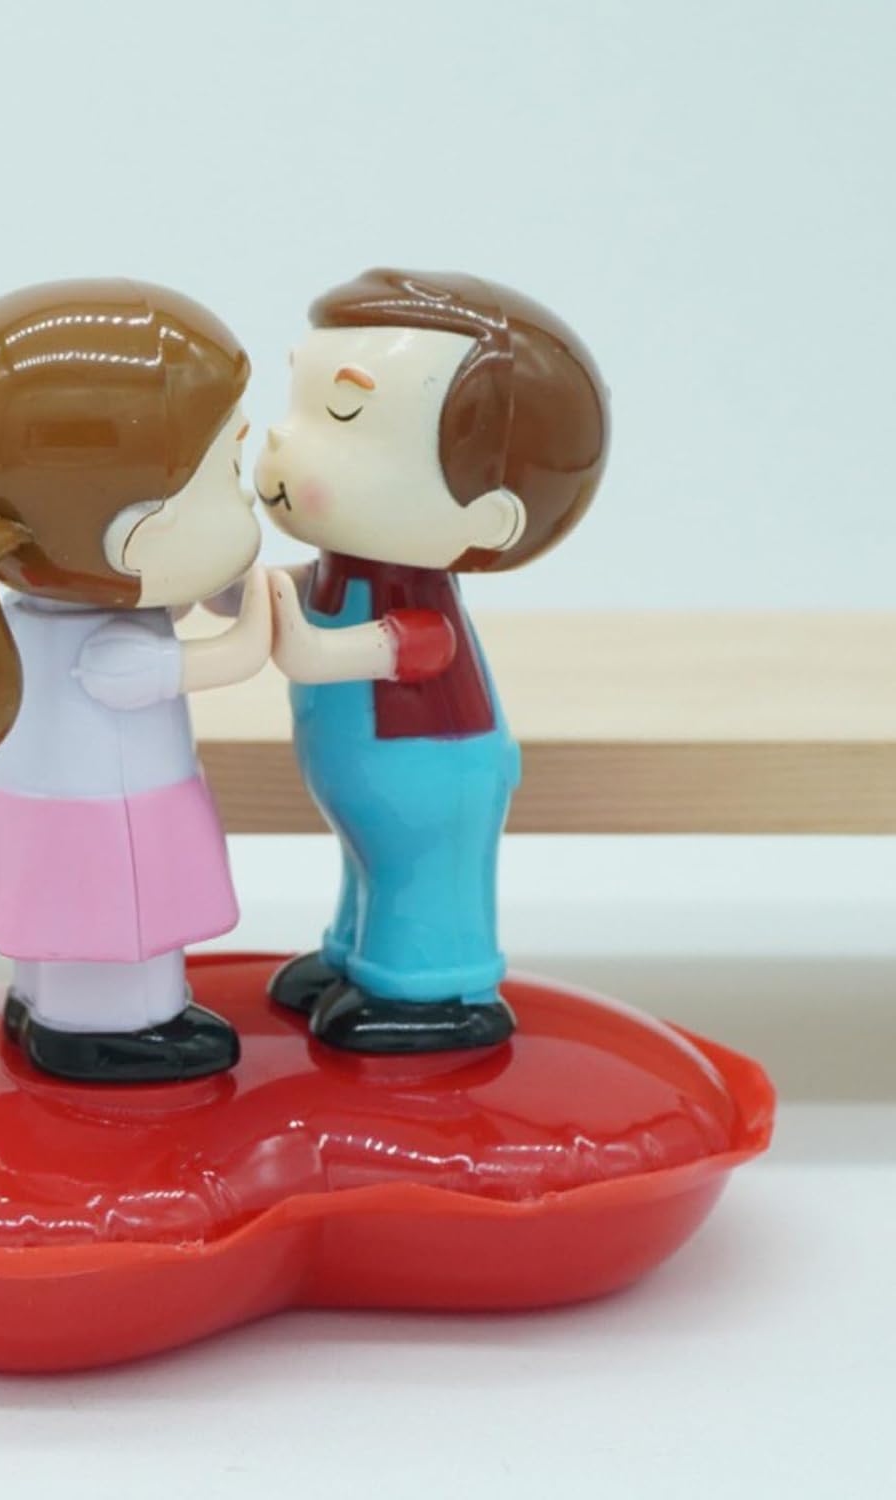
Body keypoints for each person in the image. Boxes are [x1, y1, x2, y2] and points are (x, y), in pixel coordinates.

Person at [0, 279, 269, 1083]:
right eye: (227, 472)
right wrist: (263, 608)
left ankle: (36, 1000)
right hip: (113, 819)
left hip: (42, 809)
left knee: (53, 919)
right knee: (114, 926)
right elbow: (232, 658)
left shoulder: (33, 611)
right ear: (130, 531)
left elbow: (166, 590)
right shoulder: (110, 648)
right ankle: (111, 1025)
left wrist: (209, 578)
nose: (247, 493)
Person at [254, 269, 609, 1053]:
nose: (283, 441)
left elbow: (338, 649)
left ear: (490, 516)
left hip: (428, 766)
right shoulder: (344, 565)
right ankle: (355, 954)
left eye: (344, 416)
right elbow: (308, 600)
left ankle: (434, 985)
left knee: (419, 872)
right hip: (368, 767)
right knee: (369, 861)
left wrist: (278, 625)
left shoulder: (422, 605)